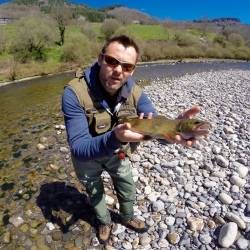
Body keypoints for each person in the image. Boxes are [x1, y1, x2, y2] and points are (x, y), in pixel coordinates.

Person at [62, 35, 200, 243]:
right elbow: (79, 147)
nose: (118, 70)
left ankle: (127, 217)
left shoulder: (137, 95)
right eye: (112, 61)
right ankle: (104, 221)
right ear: (100, 59)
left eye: (127, 66)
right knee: (95, 191)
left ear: (132, 70)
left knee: (127, 186)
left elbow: (152, 129)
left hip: (117, 153)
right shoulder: (74, 93)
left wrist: (174, 131)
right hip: (88, 159)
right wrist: (115, 137)